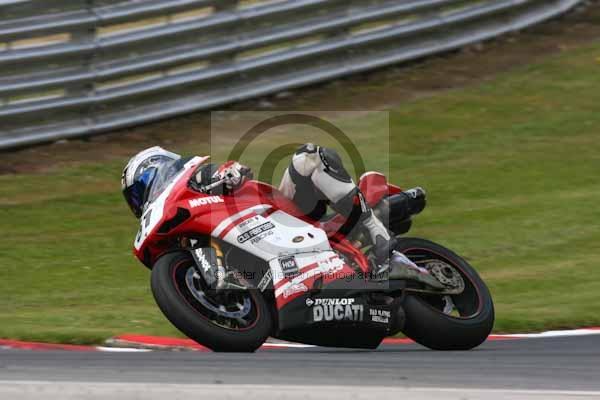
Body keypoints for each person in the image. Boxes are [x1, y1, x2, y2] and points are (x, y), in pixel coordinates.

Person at [121, 145, 442, 288]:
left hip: (286, 214)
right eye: (133, 198)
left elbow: (233, 170)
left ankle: (378, 238)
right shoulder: (171, 234)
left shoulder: (196, 178)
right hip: (266, 254)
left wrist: (230, 173)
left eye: (140, 189)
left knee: (307, 156)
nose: (140, 199)